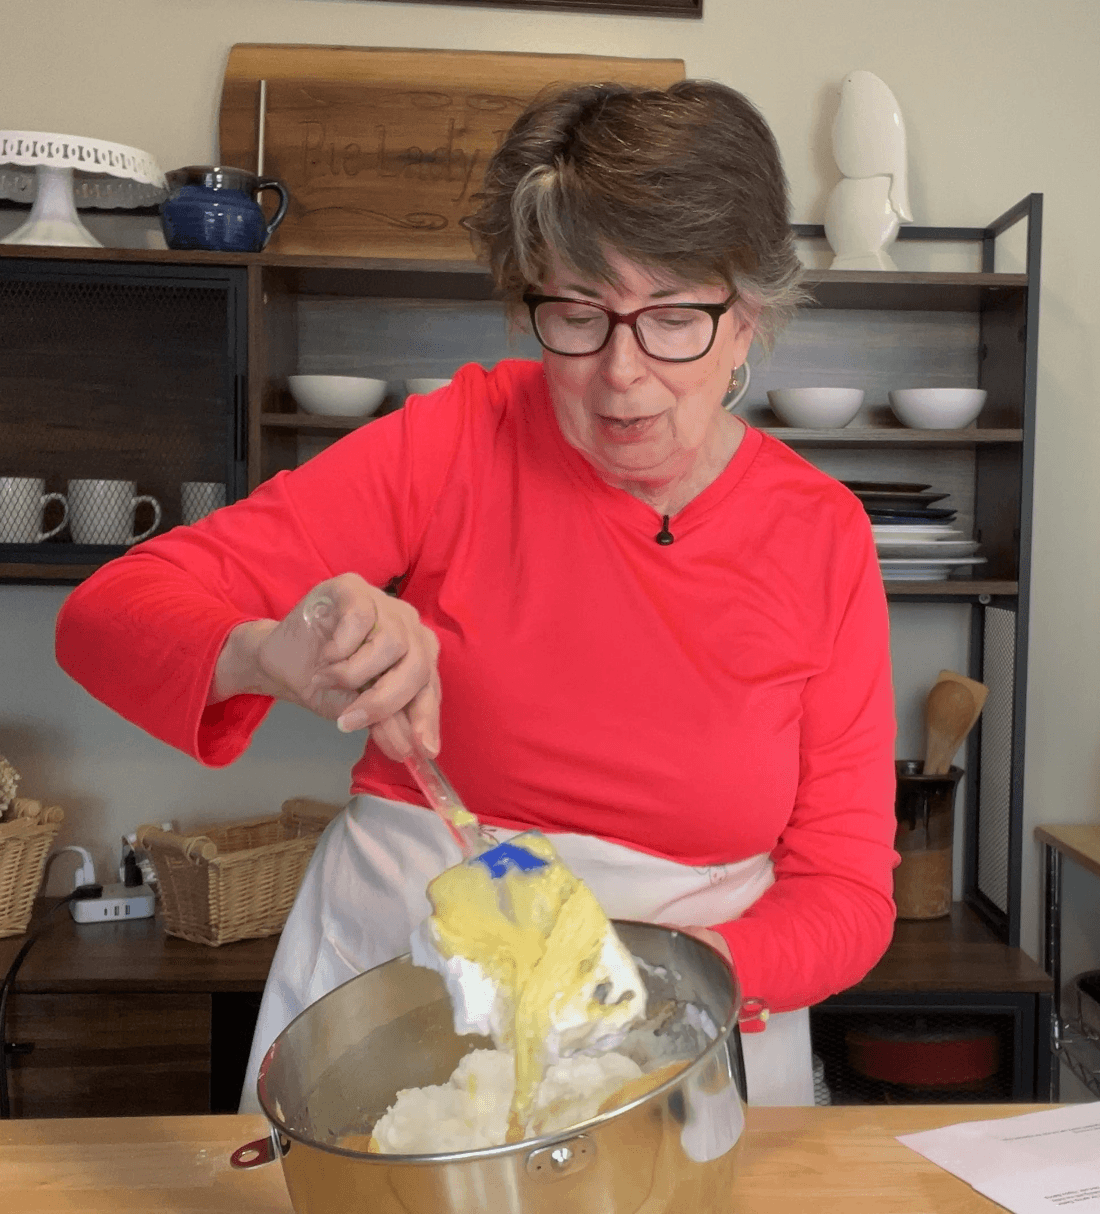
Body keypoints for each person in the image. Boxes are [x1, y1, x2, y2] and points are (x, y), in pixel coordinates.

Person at [55, 78, 897, 1112]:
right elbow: (107, 613)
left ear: (750, 316)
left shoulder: (819, 534)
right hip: (402, 999)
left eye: (673, 315)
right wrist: (268, 647)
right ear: (527, 301)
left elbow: (847, 891)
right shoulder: (457, 440)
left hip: (688, 1019)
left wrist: (653, 977)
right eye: (577, 314)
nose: (623, 374)